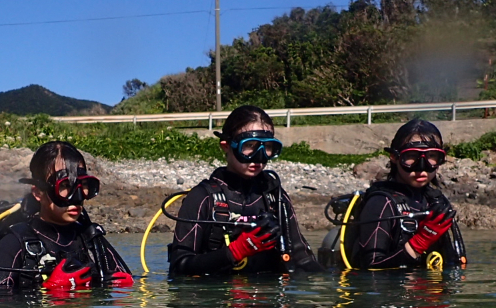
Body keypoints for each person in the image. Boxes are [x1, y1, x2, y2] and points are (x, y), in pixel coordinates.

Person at [168, 105, 321, 276]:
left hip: (267, 298)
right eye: (249, 146)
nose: (259, 156)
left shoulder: (274, 196)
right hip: (217, 299)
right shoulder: (203, 198)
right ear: (226, 146)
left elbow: (302, 258)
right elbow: (178, 267)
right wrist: (235, 251)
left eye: (267, 147)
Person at [0, 141, 133, 292]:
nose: (77, 197)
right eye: (65, 186)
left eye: (83, 185)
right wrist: (50, 290)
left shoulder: (90, 239)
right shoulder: (14, 241)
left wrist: (123, 289)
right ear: (38, 193)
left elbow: (124, 280)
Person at [348, 118, 466, 271]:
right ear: (395, 158)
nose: (422, 167)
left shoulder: (436, 201)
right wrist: (418, 244)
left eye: (431, 156)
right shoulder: (381, 203)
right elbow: (370, 267)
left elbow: (452, 262)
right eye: (411, 156)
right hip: (391, 292)